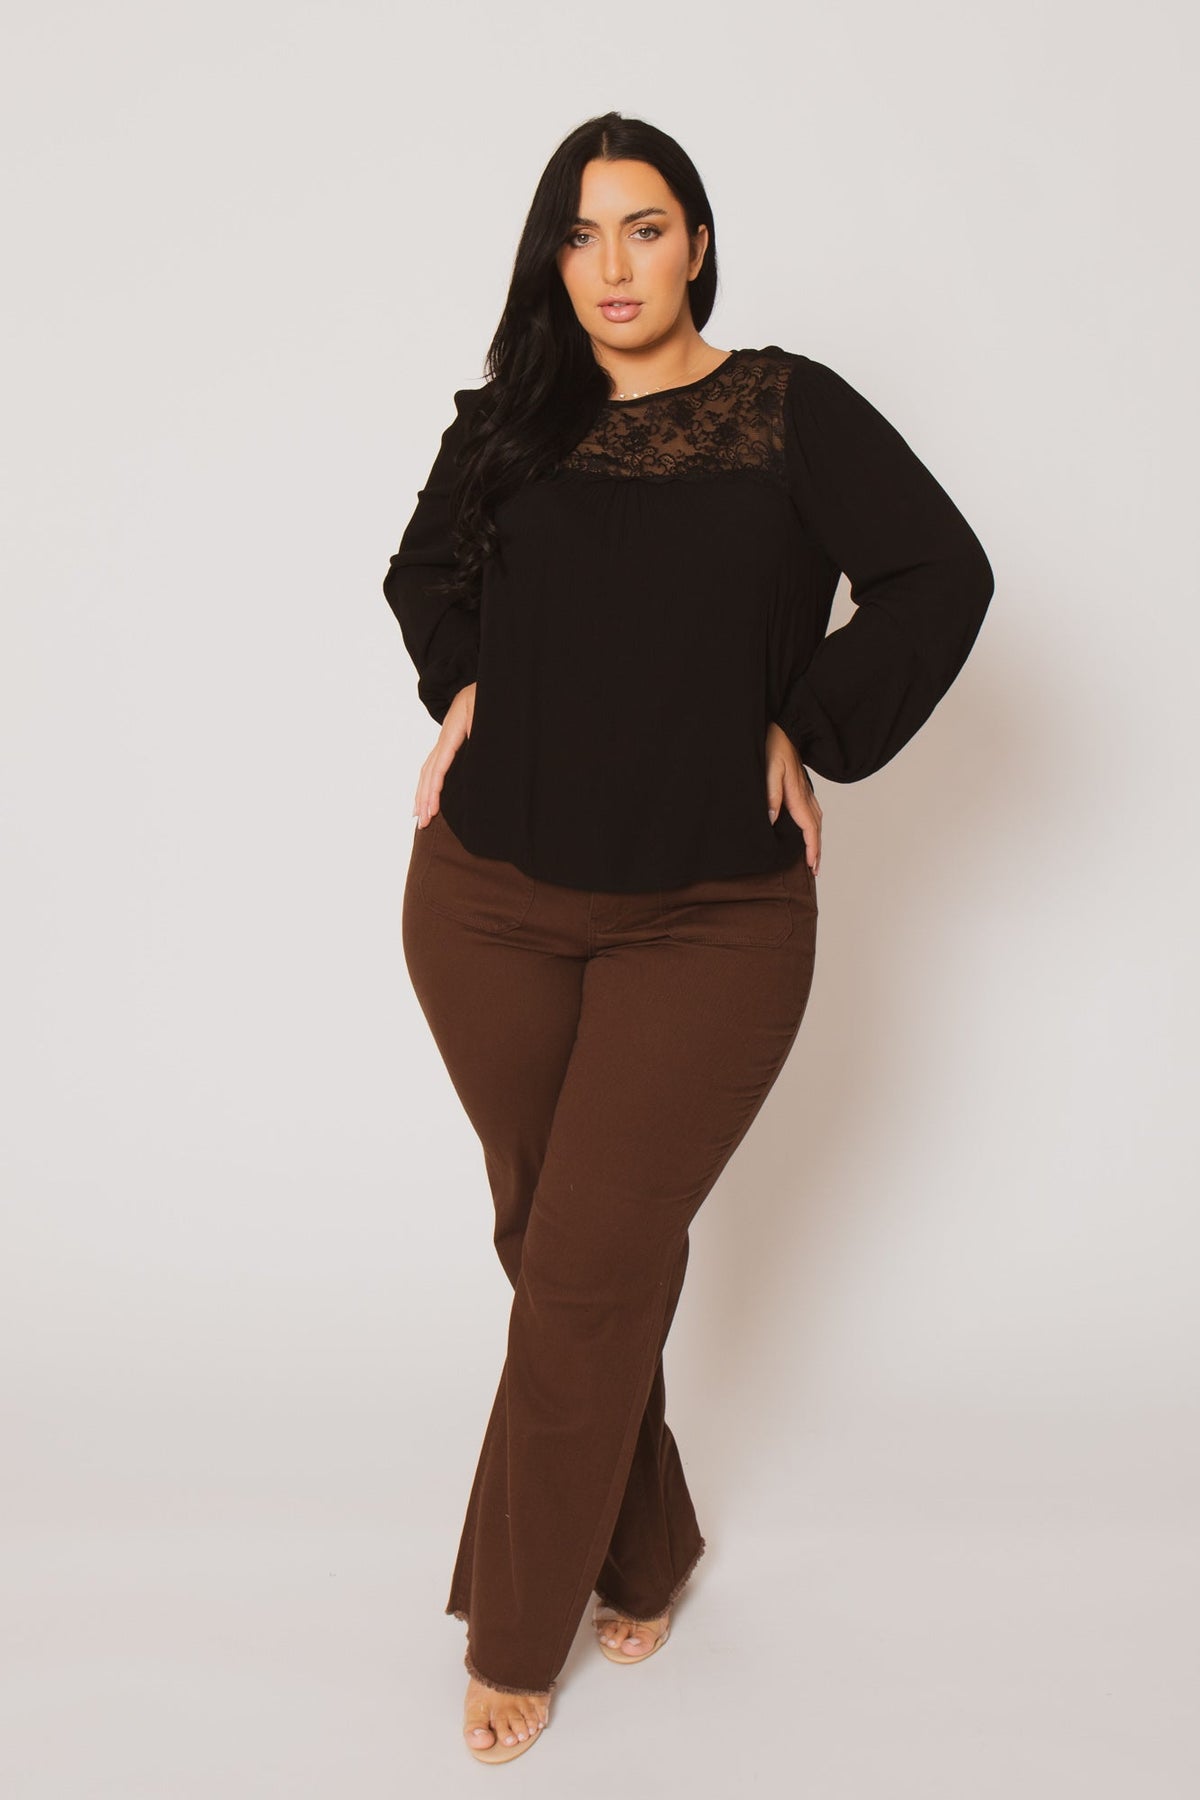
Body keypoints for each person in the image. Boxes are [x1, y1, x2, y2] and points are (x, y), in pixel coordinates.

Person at [382, 110, 993, 1765]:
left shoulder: (789, 410)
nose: (612, 267)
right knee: (560, 1255)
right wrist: (469, 682)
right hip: (487, 902)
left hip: (714, 918)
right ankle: (645, 1547)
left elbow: (941, 574)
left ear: (699, 243)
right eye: (579, 235)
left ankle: (516, 1630)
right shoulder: (510, 420)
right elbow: (422, 573)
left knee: (586, 1271)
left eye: (643, 228)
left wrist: (813, 722)